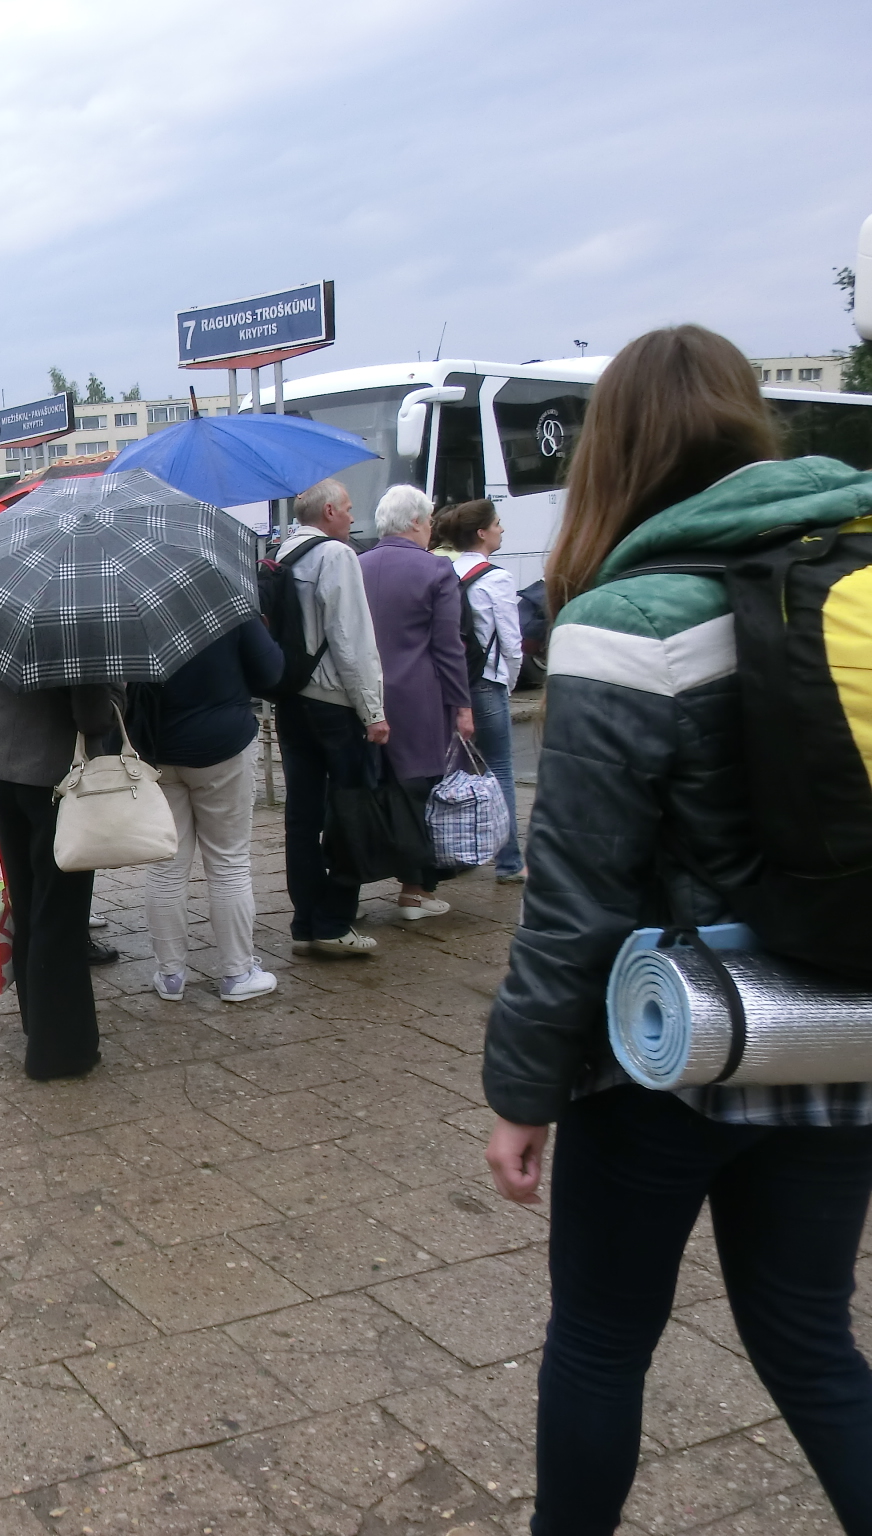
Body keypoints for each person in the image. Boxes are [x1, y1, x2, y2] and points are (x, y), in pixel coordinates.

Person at [484, 323, 872, 1535]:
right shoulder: (850, 576)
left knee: (600, 1340)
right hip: (838, 1032)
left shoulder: (629, 618)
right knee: (808, 1337)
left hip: (668, 1051)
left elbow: (575, 896)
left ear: (610, 450)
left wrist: (520, 1093)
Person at [0, 664, 120, 1080]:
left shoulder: (0, 622)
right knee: (59, 914)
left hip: (0, 767)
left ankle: (37, 1022)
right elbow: (93, 716)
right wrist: (116, 691)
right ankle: (58, 1051)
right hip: (57, 779)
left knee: (29, 905)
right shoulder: (77, 631)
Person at [271, 480, 391, 958]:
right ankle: (335, 920)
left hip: (291, 698)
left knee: (301, 817)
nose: (352, 516)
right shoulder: (336, 556)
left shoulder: (282, 554)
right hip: (334, 703)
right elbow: (351, 638)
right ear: (328, 512)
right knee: (349, 812)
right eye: (347, 508)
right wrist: (373, 711)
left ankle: (306, 920)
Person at [138, 617, 285, 1004]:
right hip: (223, 742)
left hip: (157, 747)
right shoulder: (226, 604)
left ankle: (170, 975)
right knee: (229, 861)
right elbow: (272, 673)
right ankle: (237, 973)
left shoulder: (132, 604)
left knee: (165, 864)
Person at [357, 485, 475, 918]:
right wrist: (462, 705)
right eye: (428, 520)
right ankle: (414, 890)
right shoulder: (437, 569)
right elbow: (448, 645)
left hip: (366, 695)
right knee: (418, 792)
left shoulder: (357, 564)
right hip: (420, 697)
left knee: (371, 791)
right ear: (415, 523)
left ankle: (354, 888)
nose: (430, 528)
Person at [432, 498, 525, 882]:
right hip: (486, 683)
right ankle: (510, 862)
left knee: (452, 770)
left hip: (449, 684)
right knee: (498, 767)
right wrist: (509, 679)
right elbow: (511, 643)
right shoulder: (496, 578)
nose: (502, 529)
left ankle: (454, 854)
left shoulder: (444, 572)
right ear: (482, 533)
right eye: (498, 523)